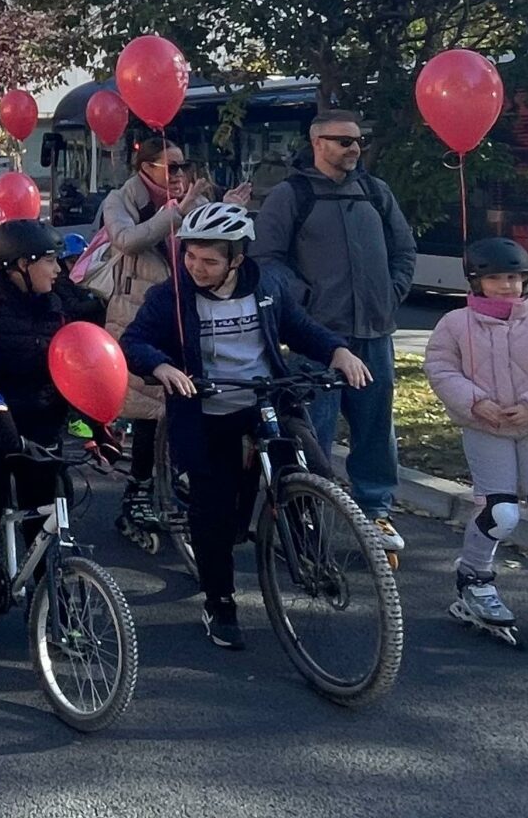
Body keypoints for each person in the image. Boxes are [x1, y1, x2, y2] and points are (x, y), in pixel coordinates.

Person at [122, 202, 372, 650]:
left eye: (210, 260)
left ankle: (305, 543)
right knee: (215, 513)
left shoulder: (268, 285)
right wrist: (161, 367)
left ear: (237, 259)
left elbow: (300, 328)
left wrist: (339, 352)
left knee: (313, 468)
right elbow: (135, 342)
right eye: (190, 256)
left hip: (265, 399)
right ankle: (219, 601)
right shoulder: (171, 297)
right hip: (207, 407)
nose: (196, 267)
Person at [0, 217, 108, 669]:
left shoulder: (60, 302)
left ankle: (61, 613)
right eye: (50, 260)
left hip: (43, 426)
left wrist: (99, 425)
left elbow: (82, 361)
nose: (58, 268)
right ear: (20, 265)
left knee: (49, 524)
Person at [253, 109, 417, 559]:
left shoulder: (375, 193)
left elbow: (404, 250)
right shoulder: (291, 195)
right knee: (313, 437)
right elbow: (267, 259)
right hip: (317, 342)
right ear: (317, 141)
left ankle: (376, 511)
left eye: (358, 140)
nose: (354, 148)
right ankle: (306, 516)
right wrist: (304, 305)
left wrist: (391, 292)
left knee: (375, 430)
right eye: (343, 141)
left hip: (374, 334)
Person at [422, 239, 528, 652]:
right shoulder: (455, 324)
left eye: (513, 278)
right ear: (476, 281)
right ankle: (474, 579)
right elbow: (440, 369)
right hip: (486, 427)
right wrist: (476, 402)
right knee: (499, 512)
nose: (506, 286)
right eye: (495, 279)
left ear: (526, 280)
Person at [97, 138, 249, 541]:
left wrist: (230, 207)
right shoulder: (121, 199)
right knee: (149, 411)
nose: (181, 175)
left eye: (184, 166)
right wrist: (177, 213)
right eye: (172, 167)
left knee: (184, 403)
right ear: (144, 167)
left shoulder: (191, 200)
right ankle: (139, 492)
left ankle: (177, 479)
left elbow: (215, 247)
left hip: (187, 314)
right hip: (138, 313)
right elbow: (126, 240)